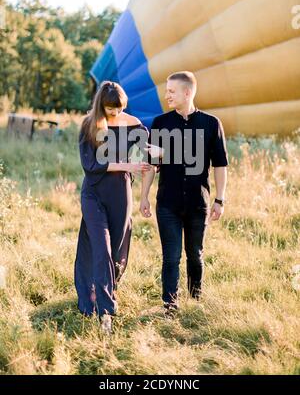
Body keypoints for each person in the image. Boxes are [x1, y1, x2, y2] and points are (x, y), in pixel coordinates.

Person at [140, 71, 228, 312]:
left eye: (171, 91)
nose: (166, 95)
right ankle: (170, 304)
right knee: (170, 257)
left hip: (199, 203)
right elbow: (151, 165)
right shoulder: (160, 123)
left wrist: (220, 199)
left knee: (195, 255)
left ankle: (195, 300)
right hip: (167, 203)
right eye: (166, 91)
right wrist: (144, 196)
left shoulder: (211, 124)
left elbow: (220, 164)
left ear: (187, 92)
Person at [75, 81, 151, 332]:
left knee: (117, 248)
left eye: (119, 109)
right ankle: (105, 311)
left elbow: (144, 153)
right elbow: (91, 165)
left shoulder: (133, 124)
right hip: (94, 193)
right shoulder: (89, 125)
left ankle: (104, 288)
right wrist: (126, 165)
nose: (116, 114)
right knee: (101, 245)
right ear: (101, 105)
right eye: (111, 110)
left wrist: (156, 153)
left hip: (120, 193)